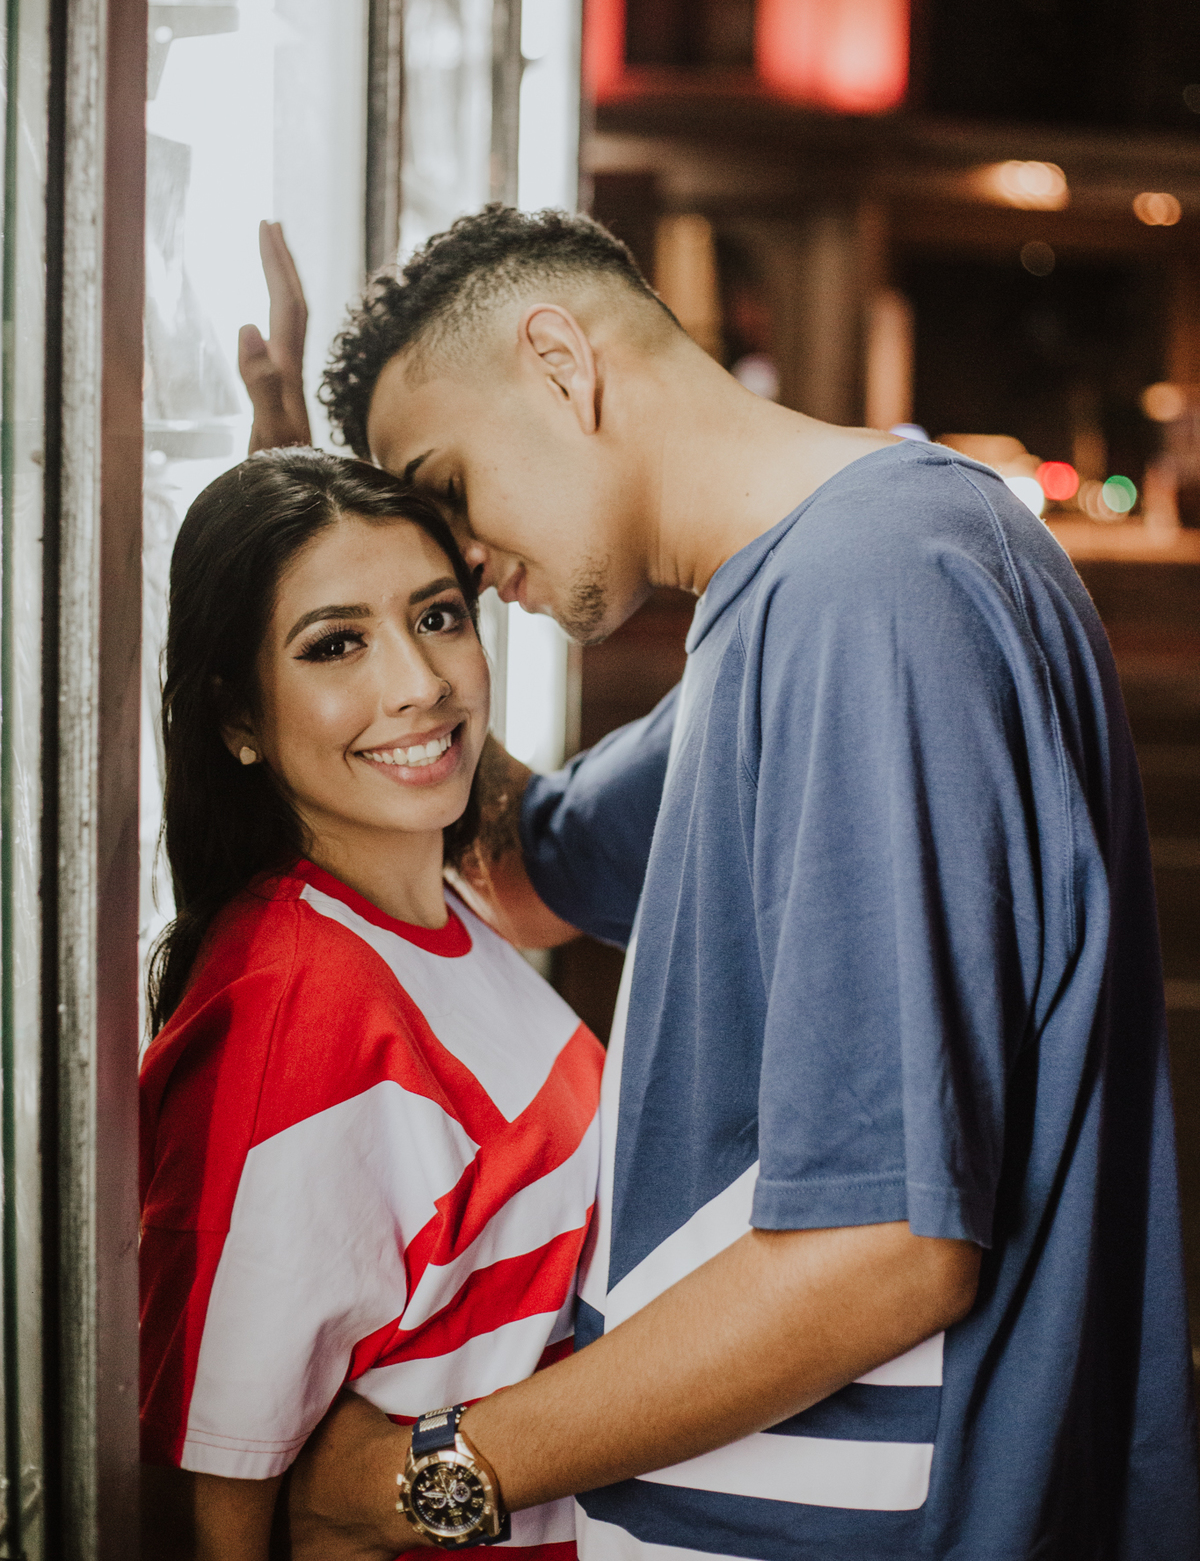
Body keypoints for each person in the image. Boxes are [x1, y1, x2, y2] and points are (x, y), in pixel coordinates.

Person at [242, 209, 1199, 1561]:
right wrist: (311, 550)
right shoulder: (796, 604)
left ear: (562, 361)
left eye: (445, 489)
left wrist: (424, 1477)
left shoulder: (875, 598)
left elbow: (880, 1254)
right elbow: (515, 865)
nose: (454, 556)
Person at [138, 446, 603, 1560]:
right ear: (237, 718)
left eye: (438, 617)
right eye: (336, 643)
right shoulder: (295, 1010)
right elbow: (222, 1501)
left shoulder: (431, 909)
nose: (420, 682)